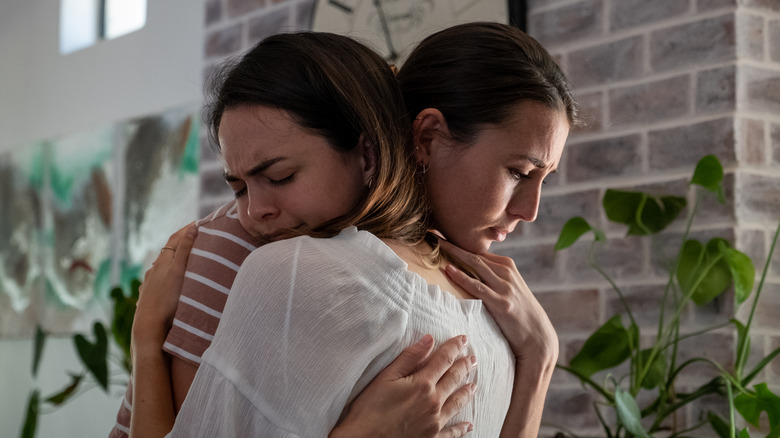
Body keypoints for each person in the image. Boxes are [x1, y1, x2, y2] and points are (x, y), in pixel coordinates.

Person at [132, 21, 580, 437]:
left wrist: (541, 356)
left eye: (281, 176)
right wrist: (147, 341)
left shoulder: (477, 298)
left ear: (366, 155)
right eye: (519, 172)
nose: (531, 210)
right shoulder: (250, 248)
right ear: (424, 138)